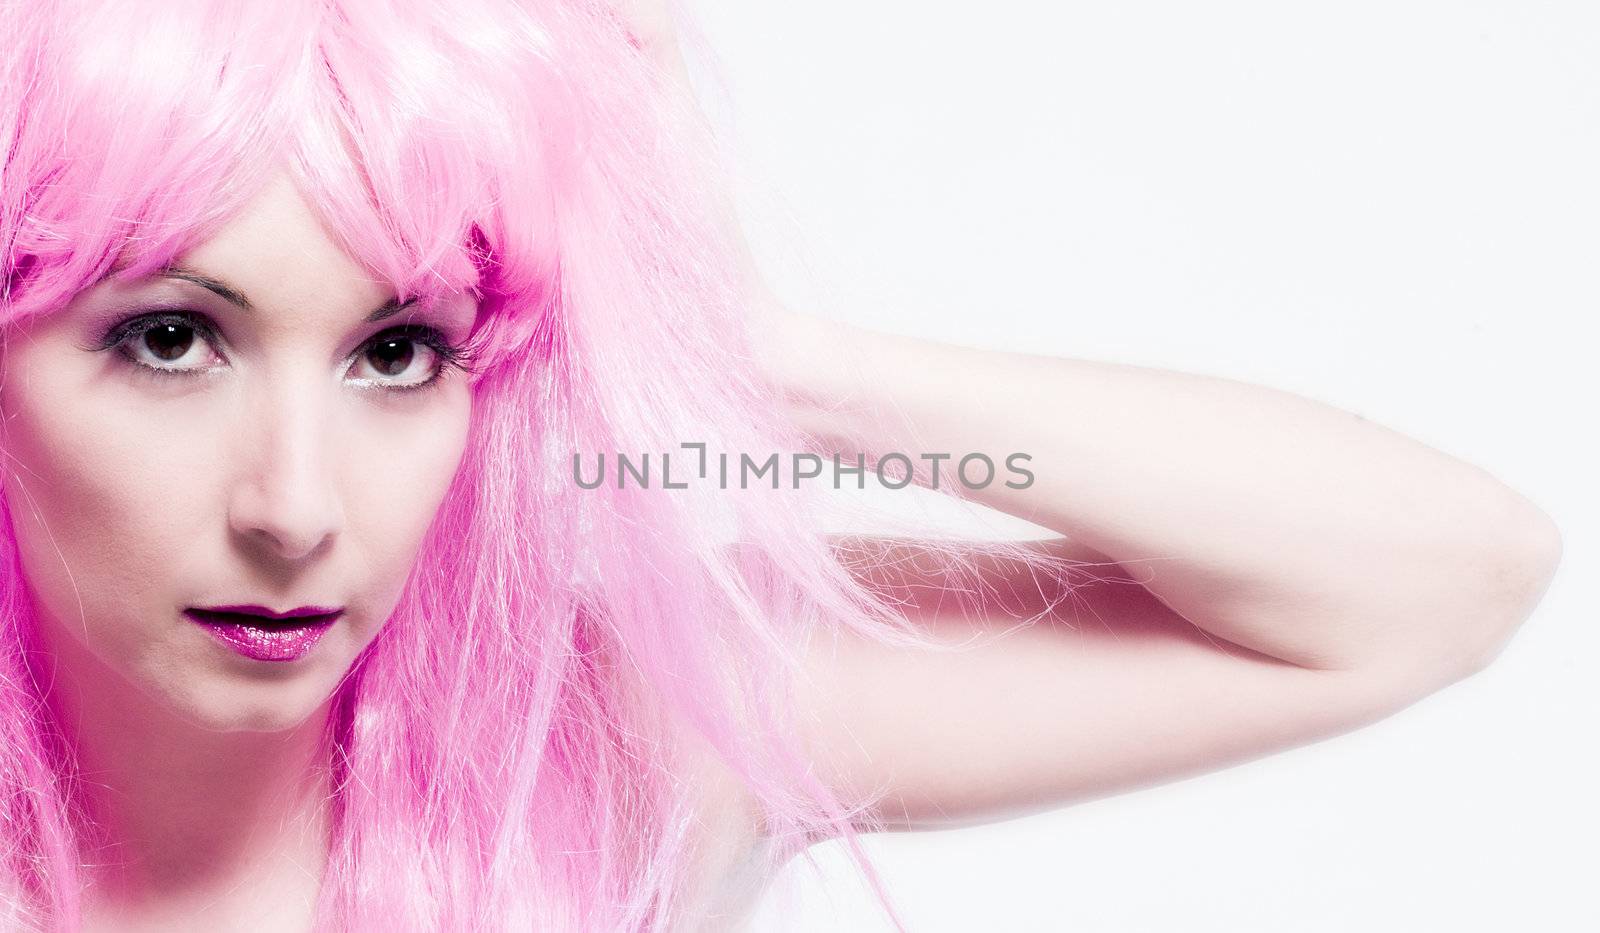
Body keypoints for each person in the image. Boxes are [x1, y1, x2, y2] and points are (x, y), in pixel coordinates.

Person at [0, 1, 1563, 930]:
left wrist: (749, 360)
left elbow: (1435, 581)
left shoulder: (625, 745)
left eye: (400, 351)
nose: (296, 506)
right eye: (167, 342)